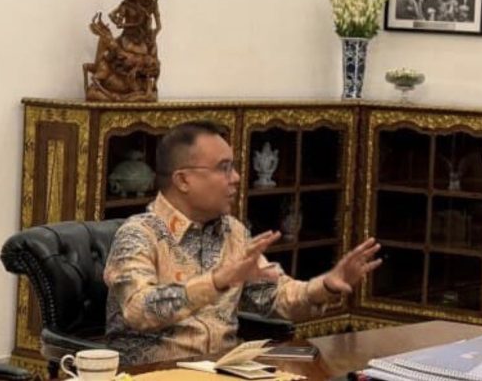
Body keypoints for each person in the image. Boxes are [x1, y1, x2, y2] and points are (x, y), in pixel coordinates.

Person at [103, 121, 382, 365]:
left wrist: (326, 286)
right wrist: (216, 282)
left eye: (233, 167)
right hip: (153, 373)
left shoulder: (232, 232)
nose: (236, 178)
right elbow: (137, 310)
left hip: (224, 370)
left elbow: (274, 296)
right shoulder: (139, 234)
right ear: (183, 179)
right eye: (224, 168)